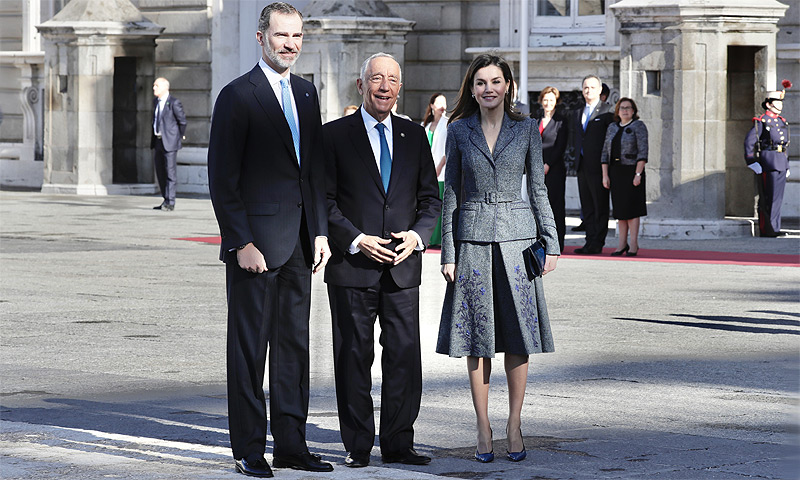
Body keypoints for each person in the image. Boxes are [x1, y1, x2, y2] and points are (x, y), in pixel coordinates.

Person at [207, 3, 333, 477]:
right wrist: (241, 242)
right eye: (282, 35)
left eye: (298, 36)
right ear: (261, 38)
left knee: (294, 349)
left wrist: (320, 231)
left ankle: (292, 446)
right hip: (255, 249)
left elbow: (313, 170)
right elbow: (222, 178)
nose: (291, 44)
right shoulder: (237, 96)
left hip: (301, 245)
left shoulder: (306, 92)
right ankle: (249, 449)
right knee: (248, 351)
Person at [437, 54, 560, 464]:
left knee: (518, 336)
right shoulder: (457, 131)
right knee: (477, 338)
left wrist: (552, 243)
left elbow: (539, 190)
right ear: (472, 89)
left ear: (507, 86)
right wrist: (448, 253)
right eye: (480, 83)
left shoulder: (526, 128)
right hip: (471, 241)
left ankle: (513, 423)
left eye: (495, 81)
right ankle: (482, 425)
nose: (488, 88)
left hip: (518, 241)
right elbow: (451, 192)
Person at [323, 53, 441, 469]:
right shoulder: (334, 135)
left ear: (400, 87)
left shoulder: (413, 136)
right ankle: (357, 445)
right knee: (353, 357)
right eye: (377, 79)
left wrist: (417, 236)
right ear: (361, 85)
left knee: (405, 357)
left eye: (392, 80)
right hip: (352, 268)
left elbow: (431, 199)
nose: (385, 86)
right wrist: (355, 239)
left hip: (403, 268)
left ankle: (398, 442)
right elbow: (324, 200)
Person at [569, 75, 615, 254]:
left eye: (592, 87)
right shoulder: (577, 112)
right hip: (582, 166)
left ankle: (597, 243)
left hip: (599, 167)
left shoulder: (607, 112)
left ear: (600, 90)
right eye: (586, 87)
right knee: (586, 206)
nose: (589, 91)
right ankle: (589, 241)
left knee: (599, 206)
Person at [601, 98, 648, 256]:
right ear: (617, 111)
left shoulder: (638, 126)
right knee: (620, 211)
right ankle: (621, 244)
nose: (625, 110)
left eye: (628, 108)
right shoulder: (612, 127)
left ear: (633, 111)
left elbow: (643, 152)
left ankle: (633, 243)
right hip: (616, 172)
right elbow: (605, 153)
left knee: (632, 210)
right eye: (622, 108)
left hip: (632, 172)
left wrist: (638, 174)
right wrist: (605, 175)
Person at [744, 85, 792, 237]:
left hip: (780, 162)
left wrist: (787, 163)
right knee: (768, 198)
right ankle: (767, 229)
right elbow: (749, 142)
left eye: (781, 102)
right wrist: (751, 161)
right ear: (769, 104)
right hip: (769, 162)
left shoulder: (781, 121)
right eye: (778, 102)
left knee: (777, 199)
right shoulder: (762, 121)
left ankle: (774, 228)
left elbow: (785, 145)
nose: (781, 105)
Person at [534, 86, 568, 252]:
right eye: (545, 100)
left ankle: (557, 243)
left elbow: (560, 146)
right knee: (537, 206)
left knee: (555, 206)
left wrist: (547, 164)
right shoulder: (535, 119)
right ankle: (540, 241)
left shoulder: (561, 121)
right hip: (536, 169)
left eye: (551, 100)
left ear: (556, 102)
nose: (548, 103)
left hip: (554, 170)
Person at [151, 77, 187, 211]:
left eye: (157, 85)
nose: (154, 88)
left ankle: (171, 202)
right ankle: (165, 199)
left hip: (170, 142)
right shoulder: (155, 102)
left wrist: (179, 136)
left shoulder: (174, 102)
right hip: (158, 141)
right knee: (160, 172)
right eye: (154, 85)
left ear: (165, 87)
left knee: (170, 173)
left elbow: (182, 121)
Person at [422, 92, 448, 246]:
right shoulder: (425, 126)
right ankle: (429, 238)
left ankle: (439, 240)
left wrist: (439, 167)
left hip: (441, 172)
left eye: (444, 103)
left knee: (440, 203)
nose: (442, 107)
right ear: (432, 105)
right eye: (439, 103)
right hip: (427, 172)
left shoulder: (447, 124)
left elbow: (447, 150)